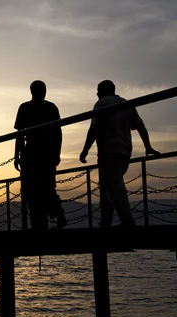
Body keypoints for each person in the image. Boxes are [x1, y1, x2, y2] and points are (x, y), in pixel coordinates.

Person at [79, 79, 160, 228]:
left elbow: (93, 129)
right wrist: (147, 146)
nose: (96, 93)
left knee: (114, 185)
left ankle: (127, 221)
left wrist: (85, 150)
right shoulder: (125, 103)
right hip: (125, 150)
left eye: (98, 89)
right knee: (108, 186)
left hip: (108, 150)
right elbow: (141, 126)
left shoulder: (101, 104)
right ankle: (106, 221)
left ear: (104, 90)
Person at [14, 80, 67, 230]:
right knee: (47, 187)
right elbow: (58, 133)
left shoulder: (25, 107)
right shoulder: (51, 107)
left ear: (31, 91)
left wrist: (16, 155)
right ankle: (56, 214)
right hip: (47, 153)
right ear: (44, 91)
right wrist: (57, 153)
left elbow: (19, 134)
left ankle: (38, 223)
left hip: (31, 152)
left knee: (31, 189)